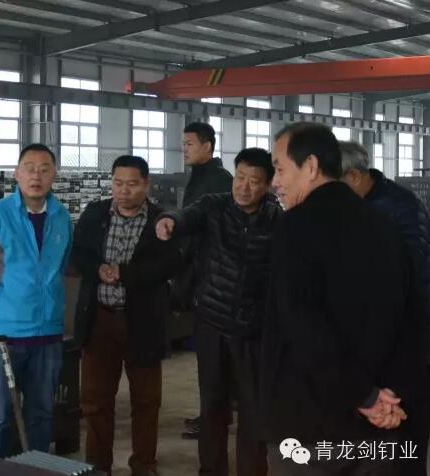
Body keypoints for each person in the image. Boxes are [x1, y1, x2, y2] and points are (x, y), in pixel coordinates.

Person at [261, 123, 425, 475]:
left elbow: (303, 326)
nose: (274, 182)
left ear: (310, 166)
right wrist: (387, 401)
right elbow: (411, 321)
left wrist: (363, 395)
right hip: (384, 427)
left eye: (279, 169)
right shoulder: (384, 226)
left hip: (312, 426)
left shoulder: (294, 228)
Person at [155, 148, 282, 476]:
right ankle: (211, 470)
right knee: (212, 406)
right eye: (240, 177)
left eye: (254, 181)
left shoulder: (277, 221)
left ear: (268, 185)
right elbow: (186, 216)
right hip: (212, 323)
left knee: (253, 411)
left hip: (253, 331)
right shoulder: (214, 206)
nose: (244, 187)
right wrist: (169, 221)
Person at [0, 143, 73, 457]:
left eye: (44, 169)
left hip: (48, 334)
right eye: (29, 168)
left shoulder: (62, 218)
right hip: (3, 337)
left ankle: (35, 469)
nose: (36, 176)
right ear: (16, 174)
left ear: (54, 175)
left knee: (41, 414)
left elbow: (61, 265)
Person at [71, 155, 179, 476]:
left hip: (142, 323)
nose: (123, 191)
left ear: (147, 184)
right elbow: (78, 253)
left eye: (132, 184)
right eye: (118, 183)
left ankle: (143, 465)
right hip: (99, 320)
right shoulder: (95, 214)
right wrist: (97, 269)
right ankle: (97, 465)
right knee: (95, 401)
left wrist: (125, 274)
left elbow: (169, 264)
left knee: (146, 401)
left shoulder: (161, 221)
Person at [340, 140, 430, 476]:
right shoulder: (363, 205)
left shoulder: (397, 208)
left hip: (405, 340)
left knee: (403, 433)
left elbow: (406, 272)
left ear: (353, 177)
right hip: (376, 339)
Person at [179, 121, 233, 440]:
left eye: (189, 144)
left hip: (212, 279)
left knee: (214, 358)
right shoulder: (202, 177)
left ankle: (214, 419)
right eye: (183, 144)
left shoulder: (217, 181)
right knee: (208, 357)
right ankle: (212, 414)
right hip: (202, 275)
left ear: (207, 146)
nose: (184, 149)